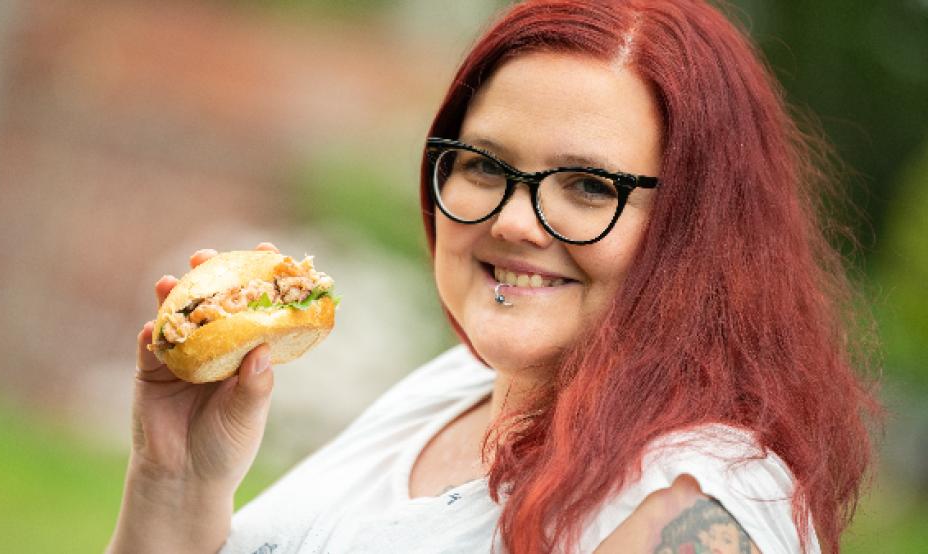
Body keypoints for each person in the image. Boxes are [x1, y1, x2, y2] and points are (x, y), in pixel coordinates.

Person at [107, 1, 880, 552]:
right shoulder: (450, 391)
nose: (513, 221)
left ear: (700, 227)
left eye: (589, 186)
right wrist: (176, 481)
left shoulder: (686, 505)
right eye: (483, 165)